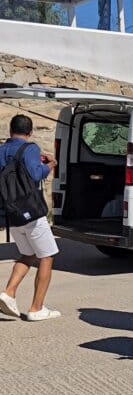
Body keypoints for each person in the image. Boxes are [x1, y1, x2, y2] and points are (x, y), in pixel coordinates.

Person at [0, 115, 60, 321]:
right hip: (31, 212)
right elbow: (36, 175)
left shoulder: (1, 150)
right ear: (30, 132)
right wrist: (50, 165)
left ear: (10, 131)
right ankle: (37, 308)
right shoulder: (30, 148)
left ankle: (8, 293)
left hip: (12, 214)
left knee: (27, 254)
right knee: (47, 255)